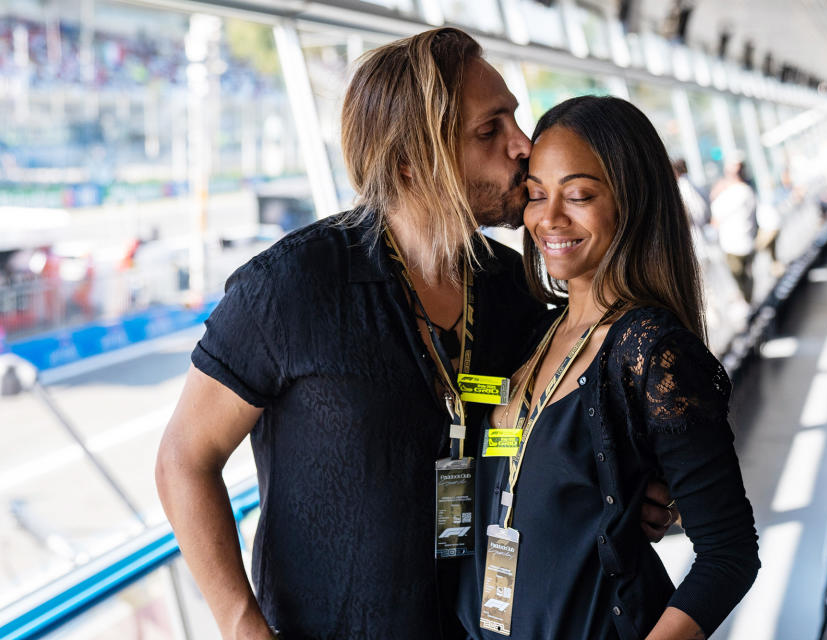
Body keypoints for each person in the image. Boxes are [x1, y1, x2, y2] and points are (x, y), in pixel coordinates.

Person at [155, 28, 675, 640]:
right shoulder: (296, 285)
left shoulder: (510, 286)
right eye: (490, 131)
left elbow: (554, 425)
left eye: (514, 118)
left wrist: (631, 487)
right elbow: (183, 460)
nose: (522, 145)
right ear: (412, 161)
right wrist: (243, 626)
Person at [457, 96, 759, 639]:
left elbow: (729, 553)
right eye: (536, 194)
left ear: (631, 202)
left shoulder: (649, 350)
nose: (548, 218)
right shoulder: (533, 335)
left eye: (578, 195)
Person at [710, 154, 757, 304]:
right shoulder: (749, 191)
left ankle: (748, 306)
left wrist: (718, 191)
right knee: (746, 279)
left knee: (740, 281)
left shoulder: (734, 193)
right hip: (747, 242)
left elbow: (715, 217)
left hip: (734, 245)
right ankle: (749, 304)